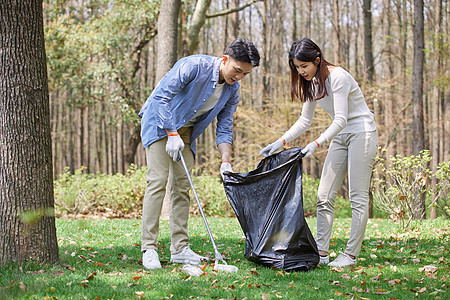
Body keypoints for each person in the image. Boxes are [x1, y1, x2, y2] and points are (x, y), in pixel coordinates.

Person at [138, 37, 260, 269]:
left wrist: (226, 160)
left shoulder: (232, 90)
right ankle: (149, 248)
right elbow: (161, 96)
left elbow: (224, 126)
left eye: (245, 74)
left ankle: (180, 249)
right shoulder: (193, 66)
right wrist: (171, 133)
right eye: (237, 70)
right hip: (160, 123)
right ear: (225, 59)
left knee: (182, 186)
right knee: (157, 181)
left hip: (185, 132)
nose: (239, 77)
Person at [260, 38, 377, 267]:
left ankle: (350, 255)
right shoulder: (312, 83)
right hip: (341, 135)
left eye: (304, 66)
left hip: (362, 132)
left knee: (357, 197)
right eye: (297, 67)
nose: (301, 71)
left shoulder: (338, 77)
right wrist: (280, 141)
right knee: (323, 197)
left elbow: (342, 118)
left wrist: (316, 143)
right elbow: (305, 120)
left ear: (317, 60)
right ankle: (322, 254)